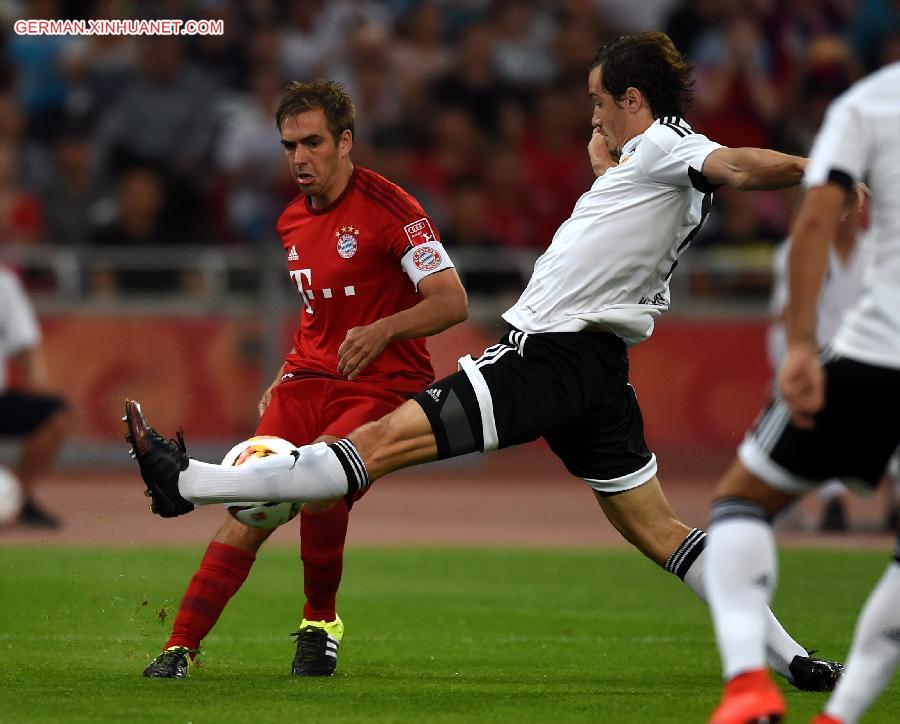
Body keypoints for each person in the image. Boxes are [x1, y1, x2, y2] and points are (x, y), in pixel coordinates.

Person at [126, 33, 842, 691]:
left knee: (369, 447)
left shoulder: (664, 147)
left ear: (633, 100)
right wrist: (606, 162)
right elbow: (658, 194)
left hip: (544, 356)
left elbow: (739, 167)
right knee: (661, 532)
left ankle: (189, 479)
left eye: (600, 102)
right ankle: (796, 659)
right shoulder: (651, 167)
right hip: (599, 372)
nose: (594, 117)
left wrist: (820, 170)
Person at [139, 80, 468, 679]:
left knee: (320, 488)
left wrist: (384, 330)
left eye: (312, 142)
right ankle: (178, 647)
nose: (298, 158)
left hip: (380, 387)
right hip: (306, 381)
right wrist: (289, 368)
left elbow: (452, 301)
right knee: (251, 504)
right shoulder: (291, 220)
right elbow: (320, 311)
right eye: (289, 145)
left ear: (346, 142)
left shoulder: (394, 210)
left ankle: (320, 623)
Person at [703, 60, 900, 724]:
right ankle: (840, 714)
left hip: (877, 355)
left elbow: (813, 220)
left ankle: (747, 684)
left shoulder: (867, 105)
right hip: (868, 354)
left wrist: (803, 352)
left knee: (740, 500)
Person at [0, 265, 67, 529]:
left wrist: (38, 382)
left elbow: (27, 343)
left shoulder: (3, 284)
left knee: (55, 417)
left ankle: (15, 497)